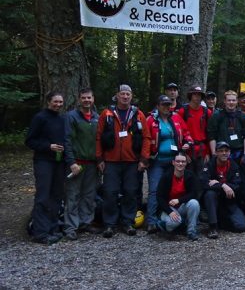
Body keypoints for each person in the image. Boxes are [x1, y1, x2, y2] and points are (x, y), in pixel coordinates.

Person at [96, 84, 152, 238]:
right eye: (122, 94)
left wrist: (144, 159)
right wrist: (99, 158)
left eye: (128, 94)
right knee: (110, 192)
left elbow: (147, 138)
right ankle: (109, 224)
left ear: (131, 96)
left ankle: (128, 221)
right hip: (111, 161)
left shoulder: (138, 114)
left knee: (130, 192)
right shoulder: (106, 114)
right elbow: (99, 136)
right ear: (117, 95)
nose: (125, 97)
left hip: (132, 161)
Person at [25, 91, 68, 244]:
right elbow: (30, 141)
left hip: (59, 162)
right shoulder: (40, 118)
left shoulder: (62, 119)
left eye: (60, 102)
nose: (58, 105)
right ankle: (40, 232)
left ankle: (53, 227)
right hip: (44, 161)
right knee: (43, 196)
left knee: (57, 195)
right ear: (48, 102)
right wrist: (48, 146)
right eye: (55, 102)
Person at [145, 95, 192, 233]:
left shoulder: (176, 118)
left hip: (175, 161)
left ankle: (173, 217)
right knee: (154, 190)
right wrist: (144, 159)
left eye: (168, 104)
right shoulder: (151, 120)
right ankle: (152, 221)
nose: (167, 107)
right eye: (163, 104)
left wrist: (187, 143)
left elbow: (187, 133)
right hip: (157, 161)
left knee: (175, 189)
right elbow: (145, 140)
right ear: (158, 106)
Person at [62, 88, 99, 240]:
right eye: (84, 98)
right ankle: (70, 227)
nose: (86, 100)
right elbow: (67, 140)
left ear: (93, 99)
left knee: (89, 195)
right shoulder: (71, 117)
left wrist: (100, 160)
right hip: (77, 163)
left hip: (92, 163)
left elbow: (100, 140)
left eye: (89, 98)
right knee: (72, 195)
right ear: (79, 99)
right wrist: (71, 162)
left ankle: (86, 222)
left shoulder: (97, 117)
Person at [200, 142, 245, 238]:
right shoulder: (209, 165)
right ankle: (213, 227)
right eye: (221, 151)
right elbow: (203, 183)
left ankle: (221, 221)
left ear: (229, 152)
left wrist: (220, 184)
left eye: (226, 151)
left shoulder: (234, 166)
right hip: (214, 200)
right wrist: (222, 186)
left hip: (229, 200)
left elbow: (237, 185)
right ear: (216, 153)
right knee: (209, 194)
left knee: (242, 227)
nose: (224, 153)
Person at [156, 153, 200, 240]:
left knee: (194, 203)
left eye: (183, 161)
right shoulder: (166, 176)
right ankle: (163, 224)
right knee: (174, 223)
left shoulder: (190, 175)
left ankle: (191, 231)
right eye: (178, 161)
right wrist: (169, 212)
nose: (180, 164)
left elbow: (194, 193)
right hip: (169, 208)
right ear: (173, 162)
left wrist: (179, 200)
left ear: (186, 163)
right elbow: (159, 197)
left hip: (182, 206)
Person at [207, 90, 245, 164]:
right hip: (221, 153)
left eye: (233, 100)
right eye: (229, 100)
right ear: (225, 101)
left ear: (237, 101)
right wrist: (214, 154)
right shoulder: (216, 116)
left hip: (238, 152)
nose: (231, 102)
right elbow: (212, 136)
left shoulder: (243, 116)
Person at [176, 86, 213, 169]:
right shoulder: (182, 111)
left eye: (199, 95)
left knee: (201, 178)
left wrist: (207, 152)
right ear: (190, 96)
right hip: (187, 150)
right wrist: (183, 153)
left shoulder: (207, 112)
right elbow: (178, 133)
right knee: (188, 178)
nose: (197, 97)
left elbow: (209, 133)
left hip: (202, 150)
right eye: (195, 94)